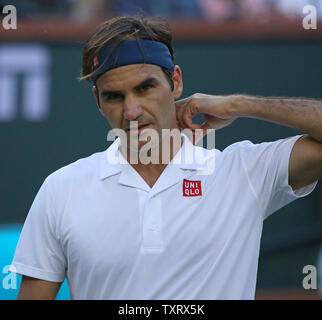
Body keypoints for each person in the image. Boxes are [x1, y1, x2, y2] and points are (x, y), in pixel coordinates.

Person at [10, 16, 322, 300]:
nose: (131, 111)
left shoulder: (241, 172)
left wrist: (237, 104)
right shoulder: (61, 190)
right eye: (114, 96)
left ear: (175, 82)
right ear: (98, 101)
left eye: (145, 88)